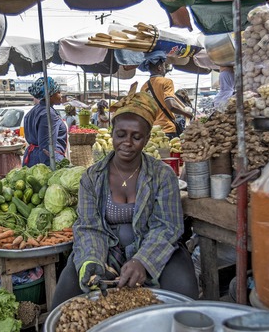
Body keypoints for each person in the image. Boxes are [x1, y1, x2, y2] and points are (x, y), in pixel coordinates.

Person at [51, 82, 199, 309]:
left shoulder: (162, 175)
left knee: (184, 291)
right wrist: (92, 259)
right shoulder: (92, 176)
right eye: (121, 134)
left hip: (154, 246)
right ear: (111, 133)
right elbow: (89, 226)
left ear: (148, 138)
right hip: (105, 248)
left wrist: (143, 261)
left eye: (137, 137)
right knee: (65, 297)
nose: (127, 143)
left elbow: (168, 226)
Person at [139, 51, 193, 139]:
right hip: (167, 129)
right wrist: (186, 113)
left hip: (152, 131)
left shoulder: (144, 87)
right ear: (160, 67)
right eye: (164, 66)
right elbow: (171, 105)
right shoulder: (166, 82)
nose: (165, 68)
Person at [22, 77, 67, 167]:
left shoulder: (34, 111)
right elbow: (46, 148)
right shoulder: (48, 114)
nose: (61, 95)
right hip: (43, 162)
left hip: (33, 158)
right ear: (50, 95)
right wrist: (52, 169)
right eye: (58, 92)